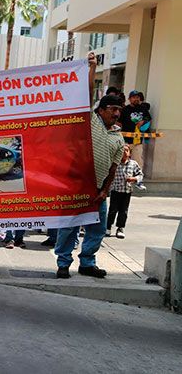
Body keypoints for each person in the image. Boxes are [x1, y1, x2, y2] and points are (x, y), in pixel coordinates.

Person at [54, 53, 125, 279]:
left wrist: (104, 191)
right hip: (76, 186)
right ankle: (63, 263)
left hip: (98, 192)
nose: (116, 114)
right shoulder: (90, 122)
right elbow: (84, 94)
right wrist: (92, 68)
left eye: (118, 111)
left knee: (97, 228)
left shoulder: (118, 137)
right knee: (69, 227)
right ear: (101, 111)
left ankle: (87, 263)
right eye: (112, 109)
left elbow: (114, 168)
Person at [106, 144, 143, 239]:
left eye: (126, 150)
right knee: (112, 210)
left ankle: (120, 228)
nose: (124, 153)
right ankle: (108, 227)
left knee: (123, 211)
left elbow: (140, 174)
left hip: (127, 191)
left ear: (130, 153)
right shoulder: (115, 163)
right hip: (116, 190)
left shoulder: (133, 164)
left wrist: (134, 178)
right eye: (122, 151)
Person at [119, 90, 151, 169]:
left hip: (138, 140)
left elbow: (149, 118)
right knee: (124, 160)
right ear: (129, 99)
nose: (136, 99)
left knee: (138, 160)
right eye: (134, 97)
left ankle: (138, 177)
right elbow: (118, 122)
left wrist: (143, 121)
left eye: (137, 97)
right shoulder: (125, 110)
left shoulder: (143, 108)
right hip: (126, 140)